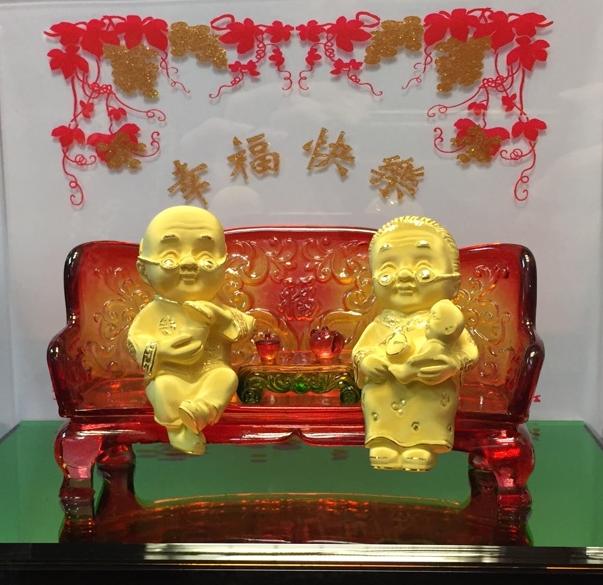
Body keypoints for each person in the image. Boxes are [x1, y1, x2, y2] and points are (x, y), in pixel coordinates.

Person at [352, 216, 478, 471]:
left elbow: (469, 351)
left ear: (454, 282)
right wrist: (367, 362)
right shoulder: (380, 323)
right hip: (385, 386)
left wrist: (453, 365)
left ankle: (422, 445)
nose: (404, 275)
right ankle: (384, 441)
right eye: (387, 270)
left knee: (428, 402)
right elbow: (359, 351)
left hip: (429, 388)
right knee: (377, 397)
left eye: (423, 268)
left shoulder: (445, 320)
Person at [127, 206, 255, 454]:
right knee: (163, 388)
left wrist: (221, 319)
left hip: (211, 371)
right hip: (169, 374)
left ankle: (200, 412)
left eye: (206, 257)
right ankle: (177, 430)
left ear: (224, 266)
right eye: (170, 257)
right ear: (143, 270)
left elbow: (246, 327)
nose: (188, 263)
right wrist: (161, 351)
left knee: (227, 378)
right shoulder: (155, 311)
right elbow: (135, 341)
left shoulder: (217, 307)